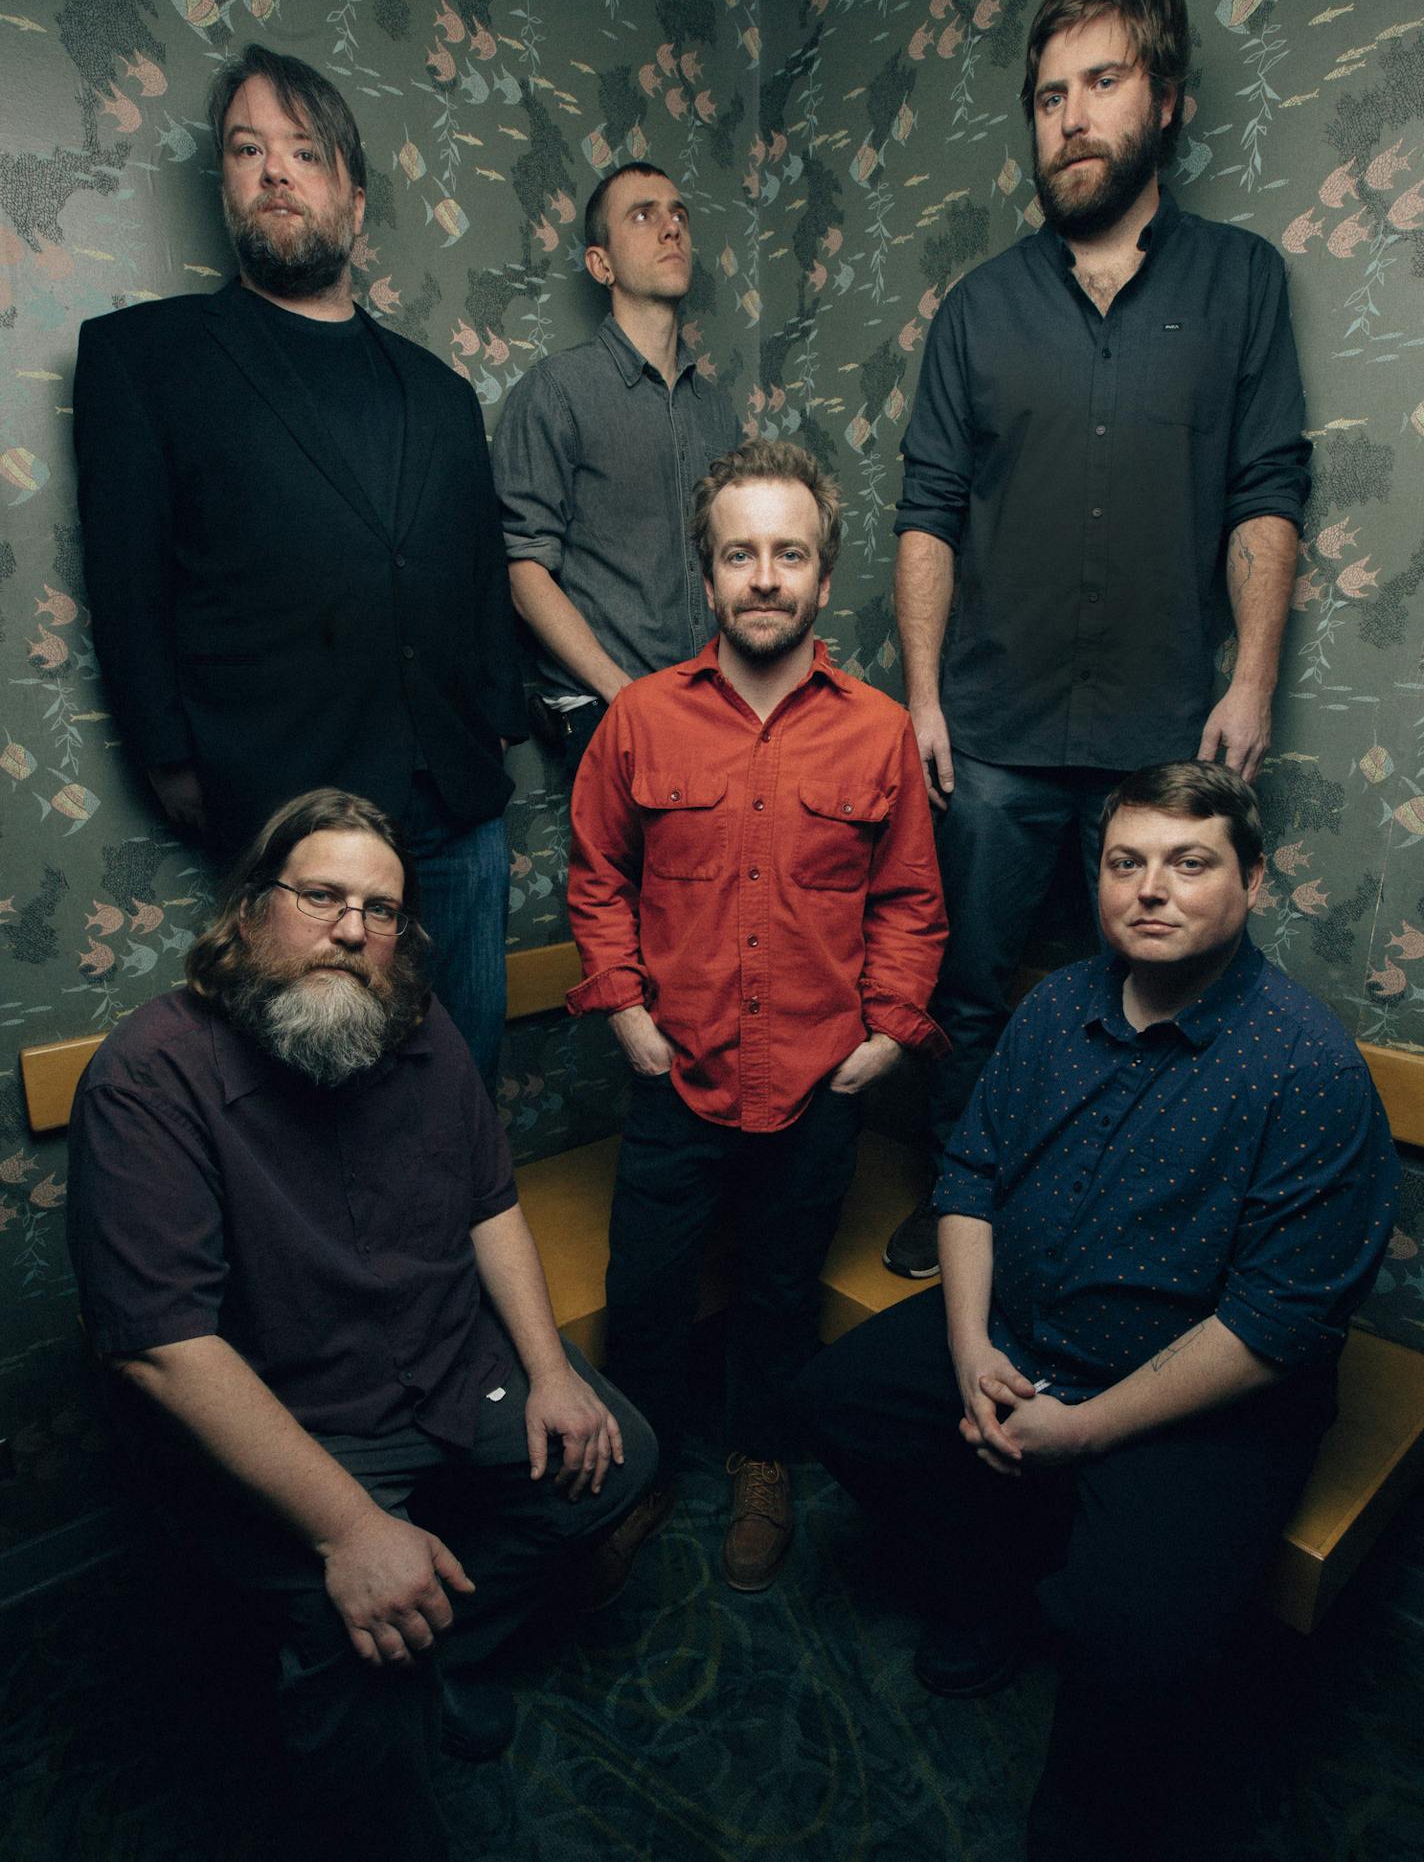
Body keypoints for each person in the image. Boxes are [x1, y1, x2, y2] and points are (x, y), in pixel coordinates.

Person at [791, 761, 1397, 1862]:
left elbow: (1276, 1322)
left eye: (1188, 862)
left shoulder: (1304, 1067)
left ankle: (1081, 1826)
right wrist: (972, 1349)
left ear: (1250, 881)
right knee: (841, 1400)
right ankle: (991, 1586)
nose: (1149, 889)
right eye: (1126, 862)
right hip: (1021, 1334)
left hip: (1190, 1401)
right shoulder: (1057, 1005)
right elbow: (969, 1174)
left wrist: (1085, 1426)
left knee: (1134, 1642)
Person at [65, 788, 658, 1862]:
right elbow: (163, 1348)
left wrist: (551, 1372)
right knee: (359, 1653)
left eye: (380, 910)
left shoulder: (412, 1020)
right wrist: (349, 1528)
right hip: (295, 1421)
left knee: (618, 1459)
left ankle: (447, 1653)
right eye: (322, 895)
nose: (352, 928)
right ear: (249, 911)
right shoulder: (147, 1077)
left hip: (440, 1361)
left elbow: (490, 1202)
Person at [885, 0, 1312, 1279]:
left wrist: (1251, 681)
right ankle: (959, 1199)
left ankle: (1111, 1230)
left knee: (1153, 998)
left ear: (1166, 99)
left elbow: (1266, 489)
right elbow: (927, 510)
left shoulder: (1240, 282)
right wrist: (923, 696)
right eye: (1049, 94)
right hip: (999, 732)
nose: (1069, 117)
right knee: (968, 987)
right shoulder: (979, 307)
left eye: (1103, 83)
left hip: (1163, 734)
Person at [73, 44, 524, 1088]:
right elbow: (126, 577)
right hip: (288, 801)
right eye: (247, 149)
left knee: (461, 1076)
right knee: (309, 1093)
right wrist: (166, 752)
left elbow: (473, 563)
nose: (276, 171)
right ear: (226, 184)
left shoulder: (439, 390)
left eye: (305, 152)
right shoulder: (146, 358)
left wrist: (496, 715)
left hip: (454, 802)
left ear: (352, 201)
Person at [565, 440, 946, 1591]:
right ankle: (639, 1472)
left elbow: (909, 898)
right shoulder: (637, 718)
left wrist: (888, 1030)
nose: (765, 576)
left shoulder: (875, 730)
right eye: (742, 554)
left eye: (789, 553)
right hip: (672, 1075)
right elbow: (595, 876)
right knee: (645, 1292)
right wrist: (623, 1009)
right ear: (710, 574)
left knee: (780, 1293)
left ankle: (762, 1461)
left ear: (824, 579)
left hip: (814, 1081)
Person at [491, 161, 740, 768]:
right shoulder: (556, 391)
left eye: (678, 214)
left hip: (715, 704)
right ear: (601, 264)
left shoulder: (718, 410)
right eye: (643, 215)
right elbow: (524, 571)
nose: (670, 228)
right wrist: (622, 694)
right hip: (608, 709)